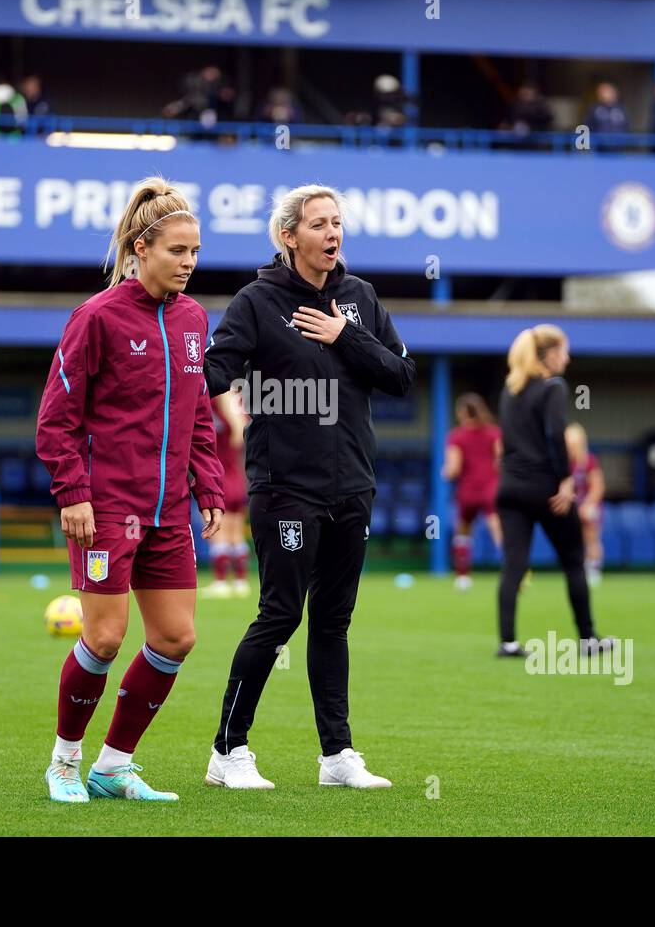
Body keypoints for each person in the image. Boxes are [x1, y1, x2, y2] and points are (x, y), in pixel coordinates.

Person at [202, 184, 415, 790]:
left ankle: (337, 757)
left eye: (338, 222)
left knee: (333, 621)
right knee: (279, 615)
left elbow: (402, 375)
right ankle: (227, 751)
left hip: (353, 485)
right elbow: (215, 370)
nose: (333, 233)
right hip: (285, 487)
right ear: (288, 236)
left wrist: (343, 335)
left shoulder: (361, 299)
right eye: (319, 224)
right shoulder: (257, 301)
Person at [35, 177, 225, 804]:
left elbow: (199, 413)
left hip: (169, 508)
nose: (189, 263)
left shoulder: (196, 319)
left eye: (195, 251)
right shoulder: (96, 317)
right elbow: (56, 417)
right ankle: (64, 763)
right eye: (177, 251)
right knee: (106, 637)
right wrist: (73, 493)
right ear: (141, 248)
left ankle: (114, 765)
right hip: (107, 508)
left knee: (175, 638)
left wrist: (208, 486)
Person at [495, 326, 613, 658]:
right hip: (545, 488)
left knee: (513, 565)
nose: (568, 357)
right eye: (564, 351)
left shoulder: (510, 389)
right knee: (574, 560)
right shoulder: (553, 387)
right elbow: (555, 435)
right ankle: (588, 639)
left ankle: (507, 642)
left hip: (510, 487)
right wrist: (565, 479)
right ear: (549, 354)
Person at [442, 392, 502, 591]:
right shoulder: (494, 433)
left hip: (468, 491)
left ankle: (463, 576)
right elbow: (501, 461)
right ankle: (515, 572)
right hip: (491, 489)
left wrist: (446, 471)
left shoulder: (456, 436)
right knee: (498, 529)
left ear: (462, 412)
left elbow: (453, 469)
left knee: (463, 531)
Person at [206, 390, 251, 598]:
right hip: (237, 477)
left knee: (219, 532)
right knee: (236, 533)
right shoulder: (238, 402)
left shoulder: (214, 401)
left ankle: (221, 581)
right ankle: (241, 581)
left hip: (218, 475)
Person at [566, 423, 605, 586]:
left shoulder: (588, 461)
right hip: (571, 506)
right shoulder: (564, 463)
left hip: (588, 505)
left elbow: (598, 487)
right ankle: (577, 568)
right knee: (573, 540)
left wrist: (587, 505)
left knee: (591, 537)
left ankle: (593, 568)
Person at [584, 82, 629, 148]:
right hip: (599, 146)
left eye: (607, 91)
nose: (605, 94)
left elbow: (626, 126)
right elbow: (587, 125)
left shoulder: (621, 109)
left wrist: (623, 140)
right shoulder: (594, 109)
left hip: (618, 146)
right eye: (601, 91)